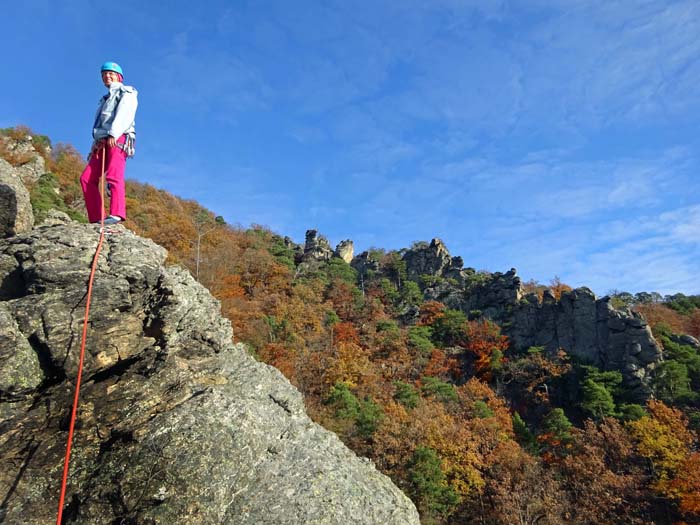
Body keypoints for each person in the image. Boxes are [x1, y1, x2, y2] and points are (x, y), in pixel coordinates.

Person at [80, 61, 138, 225]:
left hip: (119, 137)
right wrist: (95, 144)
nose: (107, 76)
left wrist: (114, 133)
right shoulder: (104, 99)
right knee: (86, 178)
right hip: (102, 141)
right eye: (104, 74)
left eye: (111, 73)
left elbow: (125, 113)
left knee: (114, 174)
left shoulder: (127, 92)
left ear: (119, 77)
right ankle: (97, 217)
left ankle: (117, 213)